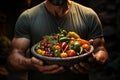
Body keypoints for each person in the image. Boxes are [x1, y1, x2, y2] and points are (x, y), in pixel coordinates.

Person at [7, 0, 108, 80]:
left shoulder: (88, 15)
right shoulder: (28, 17)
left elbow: (101, 50)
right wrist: (31, 64)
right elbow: (13, 58)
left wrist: (94, 61)